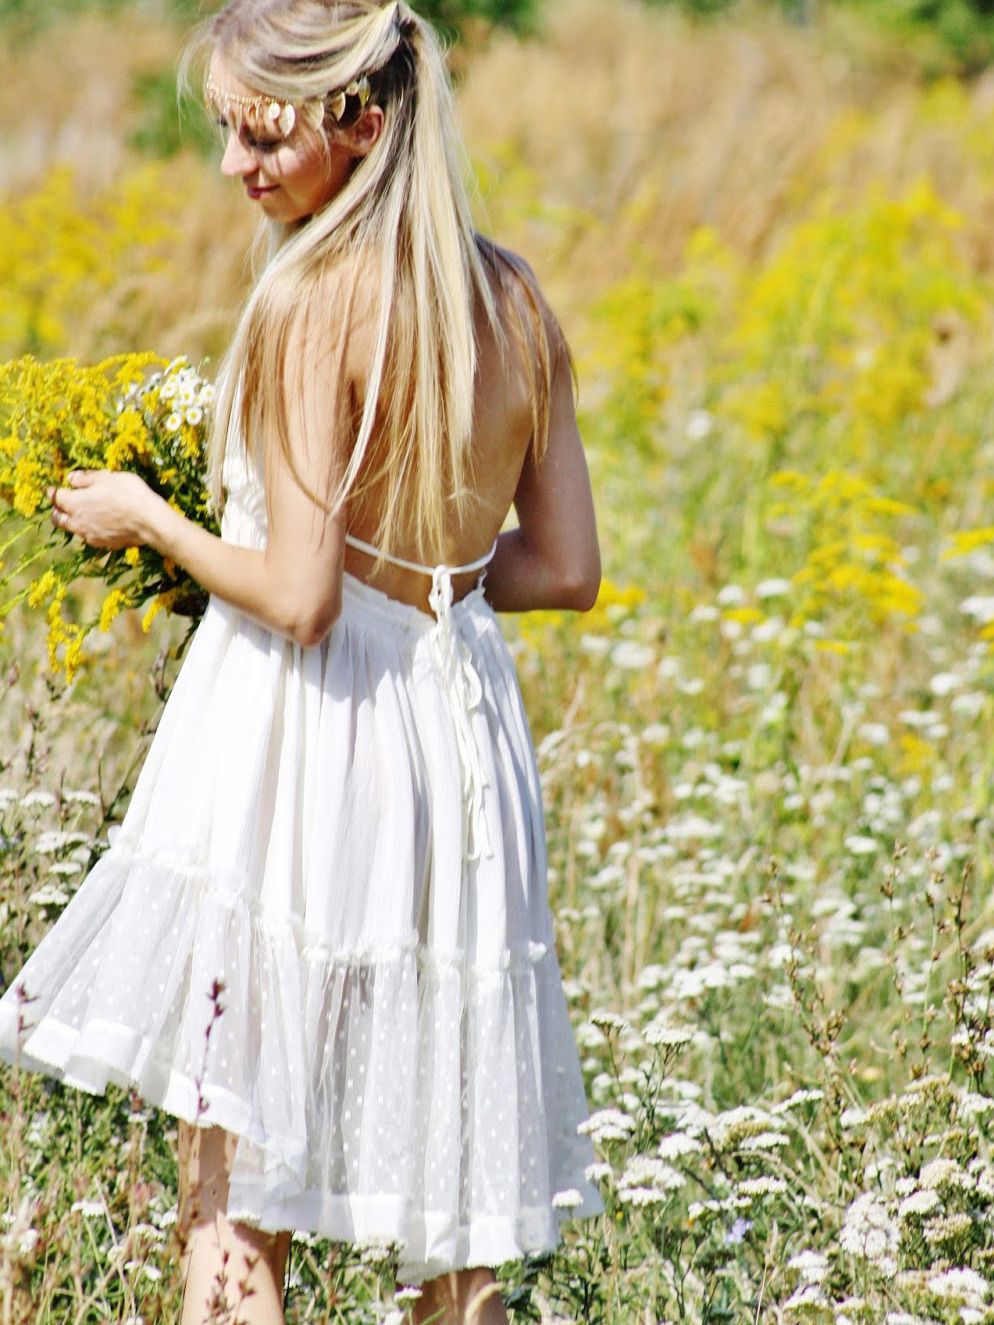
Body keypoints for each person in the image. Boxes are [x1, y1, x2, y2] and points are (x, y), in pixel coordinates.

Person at [0, 2, 603, 1322]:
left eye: (263, 135)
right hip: (459, 742)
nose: (236, 166)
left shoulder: (311, 301)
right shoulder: (511, 296)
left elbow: (299, 594)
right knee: (452, 1192)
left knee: (233, 1165)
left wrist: (148, 519)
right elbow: (563, 570)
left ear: (363, 128)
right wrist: (420, 581)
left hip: (304, 742)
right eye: (225, 131)